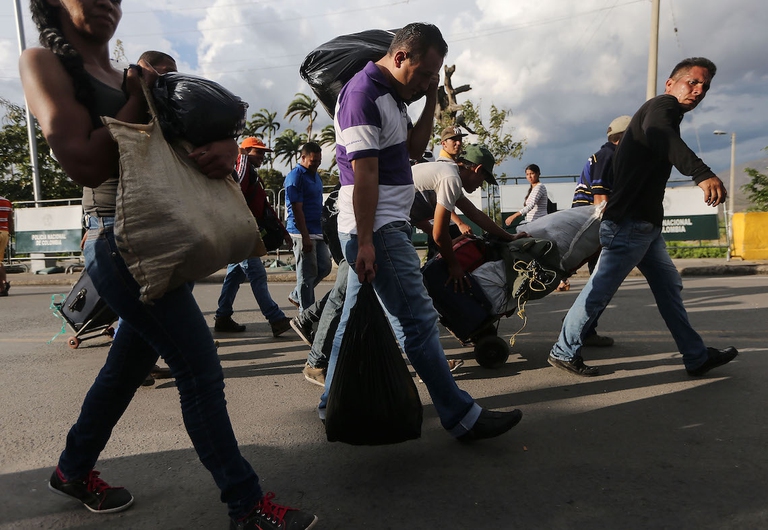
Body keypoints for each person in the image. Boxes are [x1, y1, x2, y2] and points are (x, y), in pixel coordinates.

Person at [19, 1, 316, 528]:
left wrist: (224, 146)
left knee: (123, 369)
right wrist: (137, 98)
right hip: (118, 240)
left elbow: (189, 141)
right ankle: (246, 506)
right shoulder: (44, 63)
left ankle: (71, 468)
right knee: (199, 369)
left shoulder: (129, 73)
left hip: (158, 234)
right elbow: (84, 160)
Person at [319, 22, 522, 441]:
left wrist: (431, 97)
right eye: (428, 74)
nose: (431, 81)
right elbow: (364, 177)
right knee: (417, 321)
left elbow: (412, 151)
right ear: (400, 57)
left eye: (436, 75)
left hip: (381, 225)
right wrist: (369, 241)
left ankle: (330, 404)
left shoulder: (393, 96)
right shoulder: (362, 96)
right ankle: (461, 416)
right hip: (377, 227)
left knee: (351, 318)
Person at [548, 57, 738, 378]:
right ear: (670, 83)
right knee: (600, 288)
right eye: (692, 82)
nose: (698, 90)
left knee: (668, 288)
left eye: (704, 87)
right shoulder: (663, 107)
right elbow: (659, 133)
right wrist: (701, 173)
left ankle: (695, 356)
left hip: (644, 227)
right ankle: (563, 350)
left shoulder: (662, 113)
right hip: (629, 224)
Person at [410, 143, 528, 376]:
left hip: (385, 224)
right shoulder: (450, 177)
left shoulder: (449, 175)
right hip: (377, 228)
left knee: (409, 296)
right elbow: (438, 233)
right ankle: (429, 366)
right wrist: (454, 265)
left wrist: (508, 236)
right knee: (411, 300)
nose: (482, 185)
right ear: (477, 169)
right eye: (484, 179)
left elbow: (474, 214)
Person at [213, 137, 293, 338]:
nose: (263, 157)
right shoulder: (242, 163)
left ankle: (223, 316)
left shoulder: (253, 173)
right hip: (242, 230)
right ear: (246, 150)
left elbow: (265, 206)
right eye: (259, 152)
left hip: (246, 229)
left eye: (264, 153)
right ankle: (275, 318)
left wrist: (282, 231)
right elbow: (235, 191)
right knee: (257, 274)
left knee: (235, 275)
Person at [296, 186, 348, 387]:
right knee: (344, 292)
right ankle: (316, 362)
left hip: (344, 221)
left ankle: (307, 318)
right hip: (346, 223)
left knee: (350, 290)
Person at [284, 142, 331, 312]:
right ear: (303, 157)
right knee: (306, 275)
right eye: (313, 161)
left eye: (319, 160)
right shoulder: (295, 176)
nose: (317, 164)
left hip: (317, 229)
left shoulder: (315, 176)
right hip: (301, 232)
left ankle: (297, 295)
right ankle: (306, 314)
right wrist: (304, 237)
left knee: (325, 267)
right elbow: (297, 208)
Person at [0, 194, 12, 297]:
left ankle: (1, 288)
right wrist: (9, 234)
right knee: (0, 261)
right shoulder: (6, 202)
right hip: (4, 232)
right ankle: (4, 282)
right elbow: (10, 220)